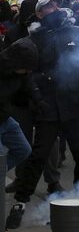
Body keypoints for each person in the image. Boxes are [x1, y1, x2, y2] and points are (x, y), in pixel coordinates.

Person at [6, 0, 79, 230]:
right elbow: (28, 73)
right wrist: (38, 97)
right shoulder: (34, 38)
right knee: (39, 155)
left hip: (75, 106)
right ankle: (21, 202)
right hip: (49, 107)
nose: (54, 8)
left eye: (56, 4)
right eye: (48, 7)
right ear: (39, 14)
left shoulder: (77, 31)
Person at [0, 38, 39, 179]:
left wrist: (38, 101)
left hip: (4, 117)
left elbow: (28, 86)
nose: (28, 71)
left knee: (23, 150)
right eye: (26, 68)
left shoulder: (21, 73)